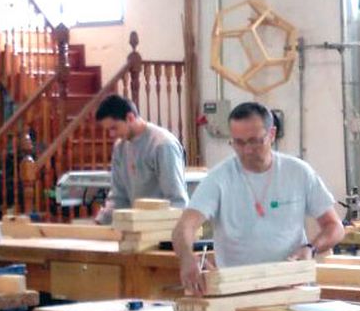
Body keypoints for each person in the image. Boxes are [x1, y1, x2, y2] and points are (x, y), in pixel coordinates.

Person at [172, 102, 343, 294]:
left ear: (272, 134)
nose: (247, 150)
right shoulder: (218, 179)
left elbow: (334, 227)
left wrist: (311, 248)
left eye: (254, 141)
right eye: (238, 142)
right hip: (237, 289)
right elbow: (185, 226)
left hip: (292, 286)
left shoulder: (298, 173)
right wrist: (187, 257)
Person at [94, 95, 189, 224]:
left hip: (161, 227)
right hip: (136, 226)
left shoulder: (163, 145)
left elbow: (177, 201)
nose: (111, 134)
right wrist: (100, 222)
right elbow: (118, 197)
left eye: (114, 128)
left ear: (130, 118)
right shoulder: (120, 147)